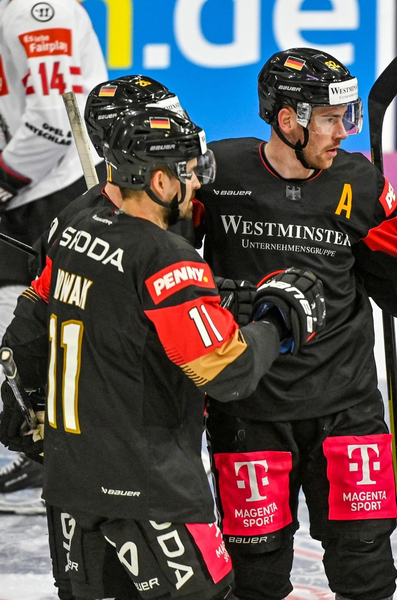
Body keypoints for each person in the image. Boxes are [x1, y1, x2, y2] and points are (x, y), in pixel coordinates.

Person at [193, 47, 397, 600]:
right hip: (248, 408)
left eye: (348, 116)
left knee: (365, 571)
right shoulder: (217, 175)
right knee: (255, 577)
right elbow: (165, 261)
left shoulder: (360, 184)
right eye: (329, 118)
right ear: (288, 119)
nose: (343, 132)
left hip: (346, 408)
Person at [0, 106, 326, 600]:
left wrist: (19, 395)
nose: (196, 184)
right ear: (159, 181)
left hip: (70, 481)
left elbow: (40, 315)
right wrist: (277, 322)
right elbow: (226, 372)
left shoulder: (73, 229)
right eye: (188, 172)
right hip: (148, 485)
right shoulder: (165, 256)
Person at [0, 75, 198, 599]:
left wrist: (19, 385)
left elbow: (32, 318)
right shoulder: (101, 221)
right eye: (166, 118)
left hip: (99, 448)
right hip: (138, 449)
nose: (181, 127)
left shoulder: (77, 221)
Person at [0, 0, 107, 512]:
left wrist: (2, 182)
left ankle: (48, 462)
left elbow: (54, 123)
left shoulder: (38, 12)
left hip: (53, 189)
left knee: (40, 326)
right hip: (28, 190)